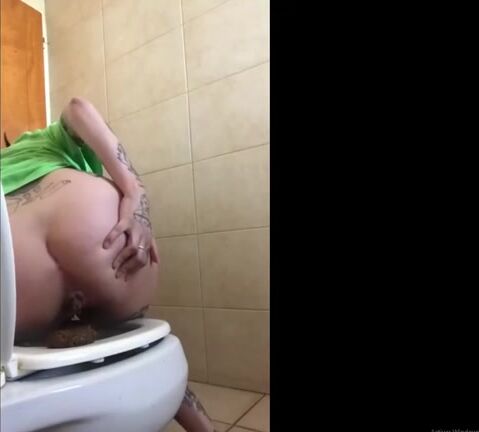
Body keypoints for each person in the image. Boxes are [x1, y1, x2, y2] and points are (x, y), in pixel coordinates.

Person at [1, 97, 215, 432]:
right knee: (139, 347)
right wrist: (135, 192)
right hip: (118, 249)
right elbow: (79, 108)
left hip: (20, 290)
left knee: (32, 363)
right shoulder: (37, 144)